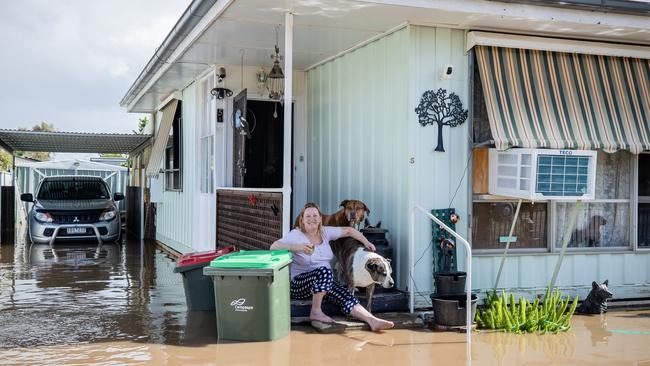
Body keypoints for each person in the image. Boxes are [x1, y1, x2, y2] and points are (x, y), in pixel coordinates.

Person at [270, 202, 394, 331]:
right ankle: (316, 312)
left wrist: (366, 242)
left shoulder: (325, 232)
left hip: (323, 283)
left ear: (320, 219)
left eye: (315, 216)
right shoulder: (296, 235)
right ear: (302, 219)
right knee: (325, 271)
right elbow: (273, 247)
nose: (312, 219)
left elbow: (349, 230)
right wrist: (297, 247)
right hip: (299, 284)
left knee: (345, 294)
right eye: (308, 216)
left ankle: (372, 320)